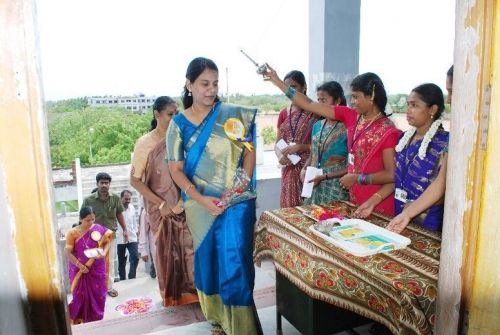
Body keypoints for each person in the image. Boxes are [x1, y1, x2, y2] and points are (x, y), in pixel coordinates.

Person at [167, 57, 263, 335]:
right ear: (189, 85)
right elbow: (175, 169)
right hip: (201, 206)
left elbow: (249, 149)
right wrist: (199, 198)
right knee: (209, 264)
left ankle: (243, 329)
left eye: (215, 83)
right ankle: (219, 321)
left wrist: (242, 182)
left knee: (237, 265)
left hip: (236, 203)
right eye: (204, 84)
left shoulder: (231, 115)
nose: (211, 89)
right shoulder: (179, 125)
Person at [263, 65, 400, 216]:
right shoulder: (351, 116)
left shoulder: (388, 130)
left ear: (371, 96)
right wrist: (277, 81)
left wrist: (357, 178)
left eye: (356, 97)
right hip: (354, 199)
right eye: (351, 97)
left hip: (377, 202)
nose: (352, 102)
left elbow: (392, 174)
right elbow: (309, 104)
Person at [130, 96, 198, 306]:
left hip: (185, 205)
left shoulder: (182, 139)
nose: (175, 118)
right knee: (168, 255)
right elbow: (135, 180)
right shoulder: (145, 143)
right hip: (162, 210)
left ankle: (195, 296)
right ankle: (174, 299)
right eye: (170, 114)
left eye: (177, 114)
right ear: (157, 115)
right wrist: (161, 204)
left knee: (191, 252)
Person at [383, 84, 449, 233]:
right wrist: (374, 199)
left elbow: (441, 187)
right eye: (408, 105)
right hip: (400, 212)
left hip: (428, 220)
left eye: (414, 105)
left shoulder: (445, 142)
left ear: (432, 109)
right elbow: (398, 178)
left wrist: (412, 209)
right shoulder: (403, 138)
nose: (408, 110)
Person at [275, 70, 320, 208]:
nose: (289, 91)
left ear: (304, 87)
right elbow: (278, 143)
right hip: (289, 167)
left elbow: (322, 145)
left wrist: (301, 147)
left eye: (293, 87)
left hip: (309, 167)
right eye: (286, 87)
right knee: (289, 209)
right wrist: (280, 156)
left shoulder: (316, 112)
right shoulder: (284, 113)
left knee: (309, 209)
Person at [302, 81, 349, 205]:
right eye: (318, 100)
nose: (319, 104)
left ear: (337, 101)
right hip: (313, 186)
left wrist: (325, 176)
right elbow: (313, 154)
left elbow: (353, 167)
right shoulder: (317, 125)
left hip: (336, 187)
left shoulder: (348, 128)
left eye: (323, 100)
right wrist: (304, 169)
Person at [82, 172, 127, 298]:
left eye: (106, 183)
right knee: (94, 263)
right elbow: (83, 218)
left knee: (109, 263)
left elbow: (119, 214)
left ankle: (109, 288)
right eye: (101, 183)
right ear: (97, 184)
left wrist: (125, 229)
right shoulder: (88, 200)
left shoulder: (115, 198)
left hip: (109, 237)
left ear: (109, 184)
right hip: (93, 238)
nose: (104, 185)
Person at [66, 206, 113, 324]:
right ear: (80, 219)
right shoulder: (72, 233)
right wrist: (80, 265)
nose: (91, 222)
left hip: (97, 268)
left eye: (93, 219)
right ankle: (79, 319)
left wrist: (104, 253)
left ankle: (96, 320)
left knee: (99, 294)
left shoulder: (98, 228)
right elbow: (67, 252)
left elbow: (108, 242)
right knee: (79, 296)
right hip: (79, 270)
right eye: (88, 220)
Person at [116, 190, 139, 280]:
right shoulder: (116, 209)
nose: (128, 201)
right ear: (121, 198)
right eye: (126, 199)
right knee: (122, 261)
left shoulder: (132, 207)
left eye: (129, 199)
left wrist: (136, 232)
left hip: (132, 237)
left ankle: (132, 277)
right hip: (120, 239)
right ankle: (122, 278)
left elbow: (134, 222)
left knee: (135, 257)